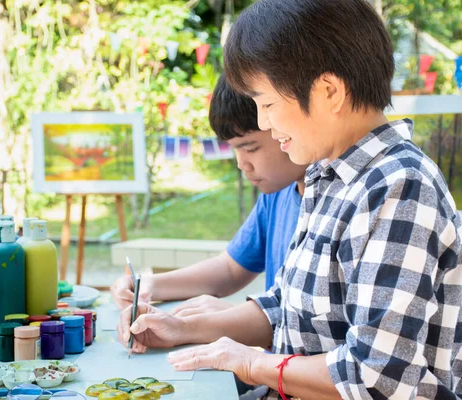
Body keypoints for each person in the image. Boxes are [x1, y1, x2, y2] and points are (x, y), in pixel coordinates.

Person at [117, 0, 462, 399]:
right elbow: (289, 307)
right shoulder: (326, 175)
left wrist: (252, 363)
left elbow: (375, 376)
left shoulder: (399, 187)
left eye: (266, 103)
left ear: (328, 91)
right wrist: (182, 329)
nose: (264, 123)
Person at [110, 74, 307, 317]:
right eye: (234, 149)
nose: (242, 164)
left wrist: (234, 316)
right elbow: (230, 268)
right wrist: (150, 285)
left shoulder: (336, 202)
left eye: (250, 148)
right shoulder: (277, 193)